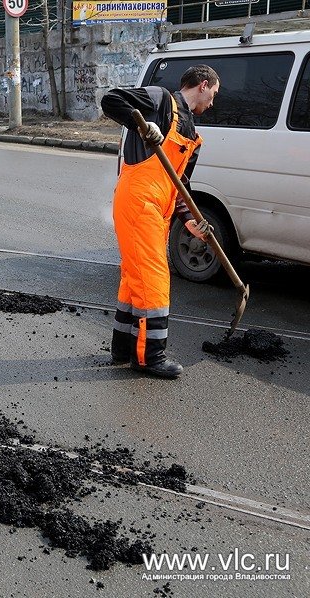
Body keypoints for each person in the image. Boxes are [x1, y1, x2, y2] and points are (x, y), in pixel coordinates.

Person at [101, 65, 220, 379]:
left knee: (134, 278)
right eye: (214, 94)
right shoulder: (161, 100)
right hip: (139, 201)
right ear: (203, 85)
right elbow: (111, 99)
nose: (213, 102)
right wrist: (141, 126)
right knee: (153, 279)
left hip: (159, 209)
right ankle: (150, 357)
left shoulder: (192, 134)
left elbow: (180, 186)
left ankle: (123, 348)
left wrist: (190, 221)